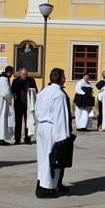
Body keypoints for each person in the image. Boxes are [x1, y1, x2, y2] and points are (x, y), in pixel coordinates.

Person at [35, 68, 73, 198]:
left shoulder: (43, 91)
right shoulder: (59, 94)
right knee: (51, 158)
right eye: (64, 76)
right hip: (52, 127)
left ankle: (43, 183)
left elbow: (36, 109)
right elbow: (60, 115)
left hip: (42, 126)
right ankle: (46, 188)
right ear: (61, 78)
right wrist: (62, 137)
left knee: (43, 157)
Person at [11, 68, 38, 144]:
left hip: (28, 104)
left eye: (26, 74)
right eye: (23, 74)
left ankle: (27, 138)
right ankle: (17, 139)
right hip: (19, 104)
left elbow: (36, 90)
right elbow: (13, 90)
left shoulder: (31, 80)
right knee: (18, 122)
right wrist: (19, 83)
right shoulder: (15, 81)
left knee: (28, 122)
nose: (24, 76)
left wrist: (32, 90)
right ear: (20, 74)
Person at [0, 66, 14, 145]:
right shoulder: (4, 80)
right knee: (1, 121)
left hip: (2, 103)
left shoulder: (4, 79)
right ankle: (0, 139)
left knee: (1, 121)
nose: (12, 74)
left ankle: (1, 138)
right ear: (9, 72)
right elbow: (5, 92)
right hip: (1, 104)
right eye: (12, 72)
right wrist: (11, 96)